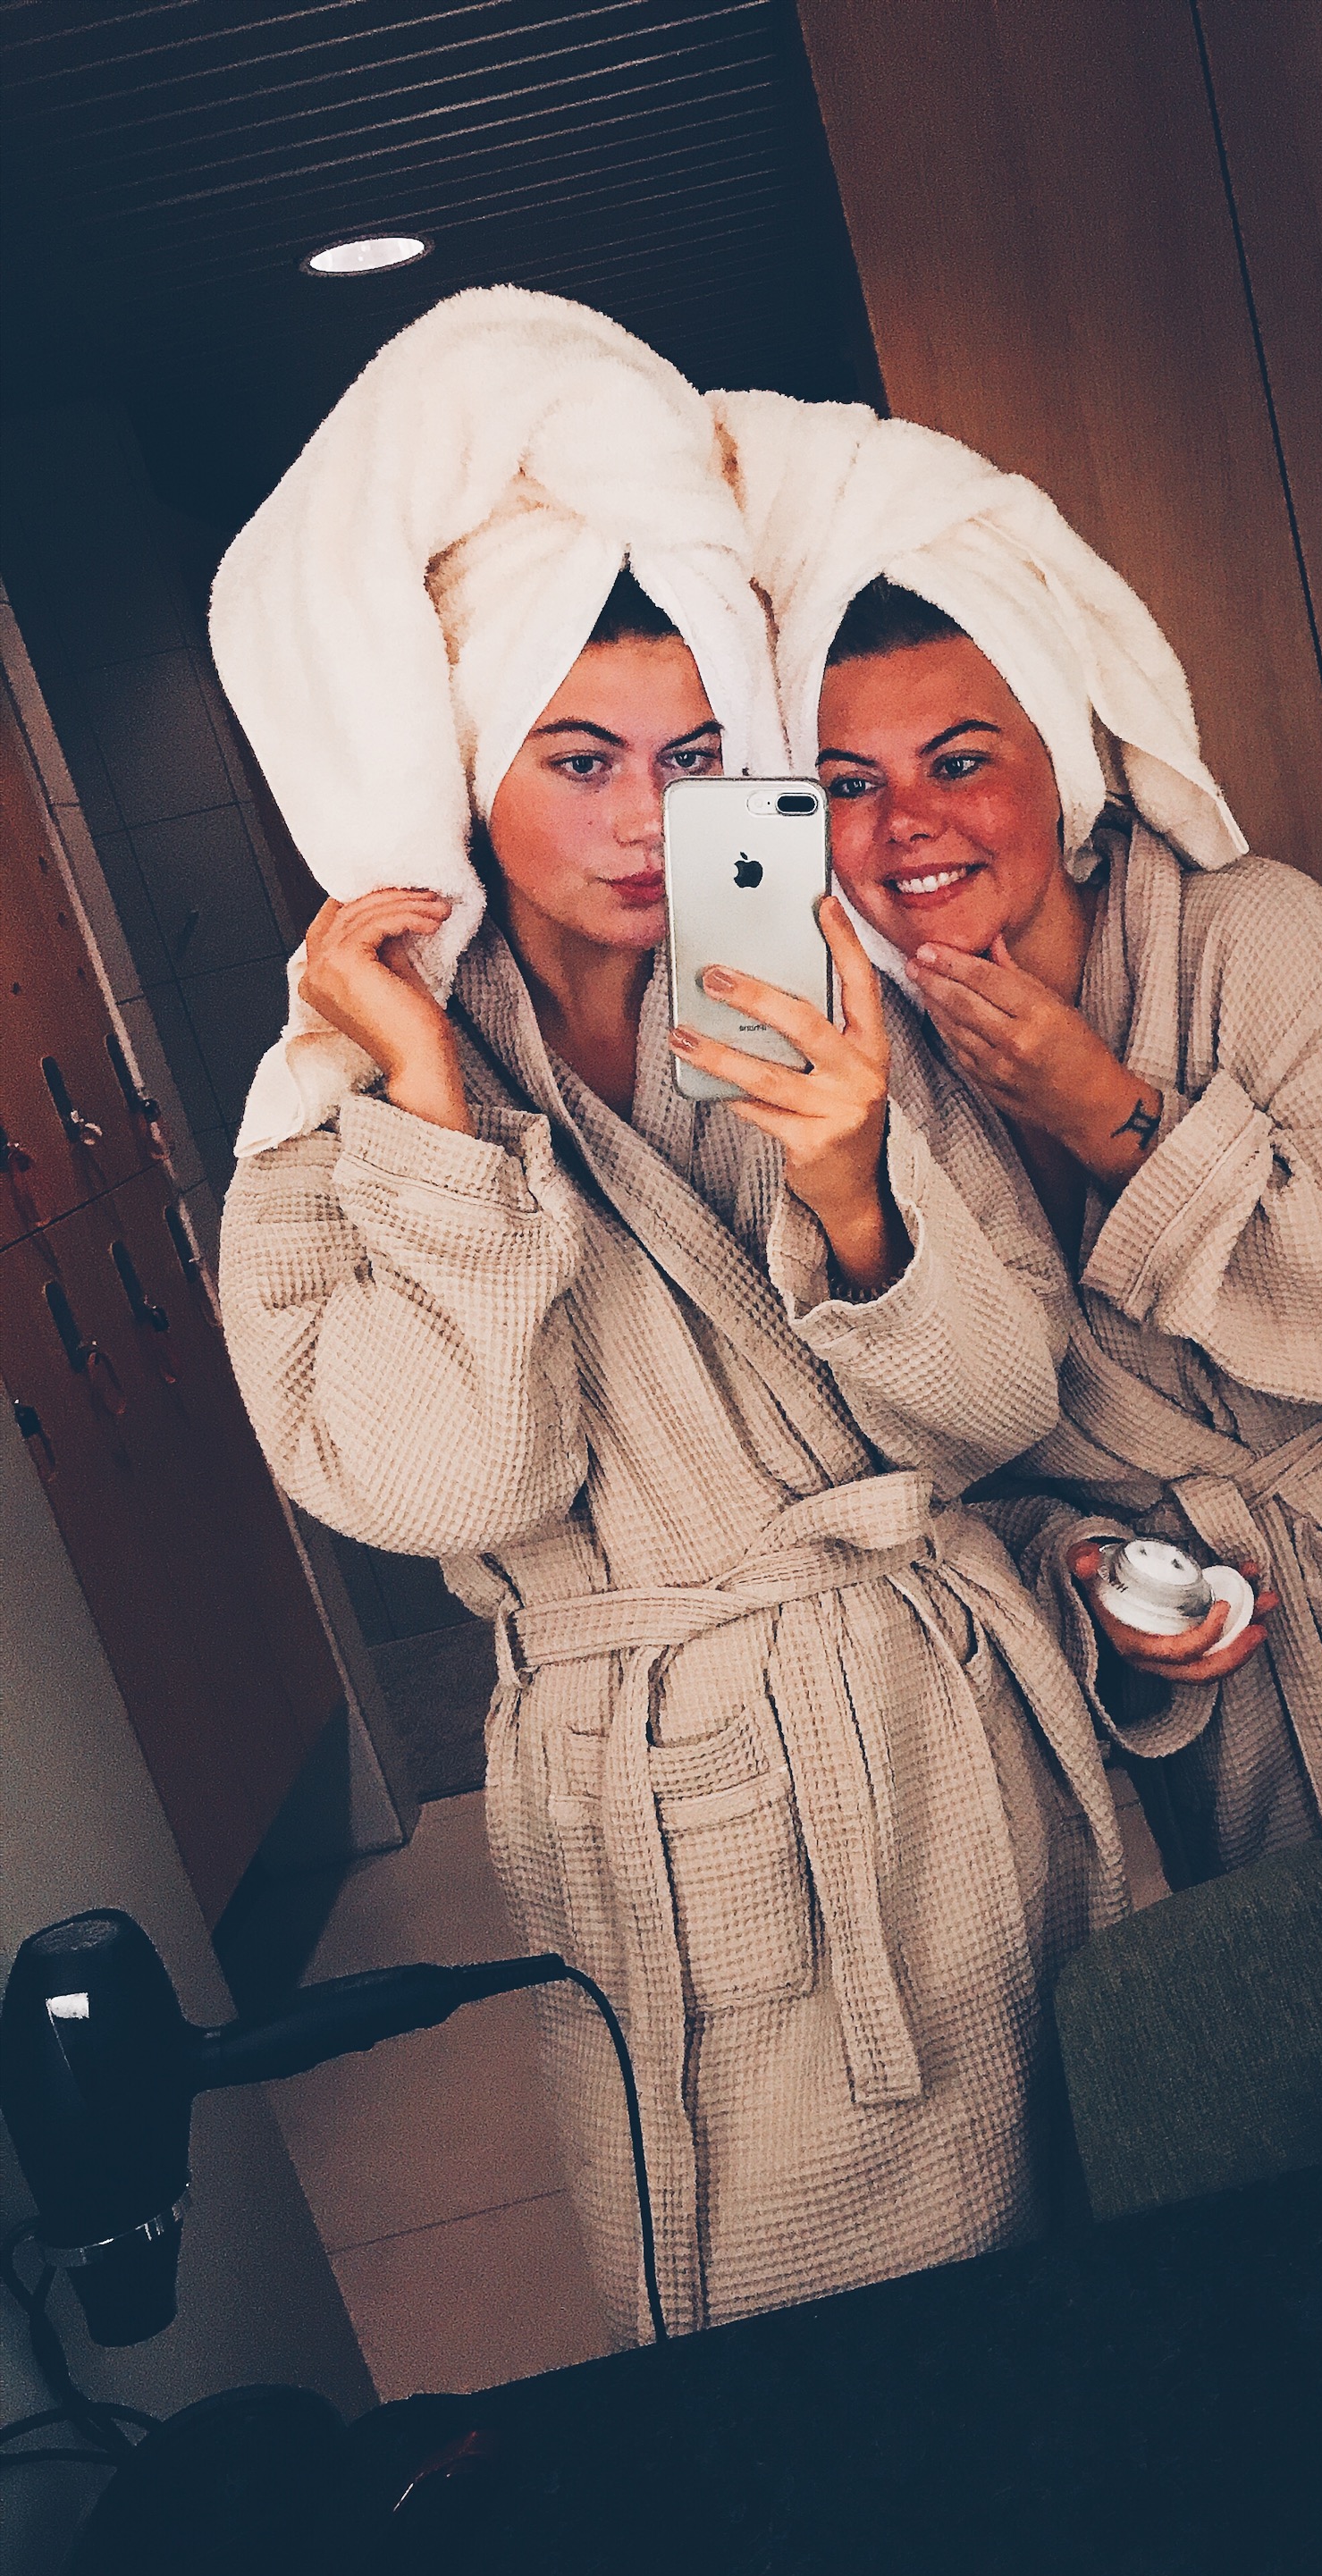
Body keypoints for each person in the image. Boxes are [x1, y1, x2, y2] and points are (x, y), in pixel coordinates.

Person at [212, 289, 1124, 2346]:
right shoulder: (327, 1115)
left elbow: (1003, 1403)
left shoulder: (802, 990)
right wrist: (433, 1116)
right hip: (699, 1817)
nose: (647, 820)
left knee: (1127, 2303)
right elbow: (460, 1484)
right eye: (581, 758)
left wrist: (855, 1184)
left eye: (697, 758)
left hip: (978, 1742)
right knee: (822, 2368)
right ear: (468, 760)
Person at [716, 393, 1322, 1882]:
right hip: (1223, 1678)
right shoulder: (870, 1068)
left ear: (1061, 763)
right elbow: (961, 1437)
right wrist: (1083, 1572)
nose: (906, 824)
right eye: (848, 786)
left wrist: (1109, 1115)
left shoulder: (1251, 933)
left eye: (960, 761)